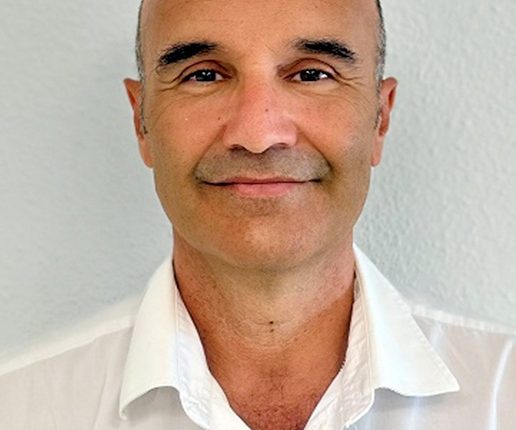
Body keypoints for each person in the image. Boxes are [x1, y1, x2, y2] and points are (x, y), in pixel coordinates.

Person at [0, 0, 514, 429]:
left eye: (312, 74)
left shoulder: (502, 396)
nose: (259, 133)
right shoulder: (19, 409)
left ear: (380, 117)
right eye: (203, 75)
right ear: (141, 121)